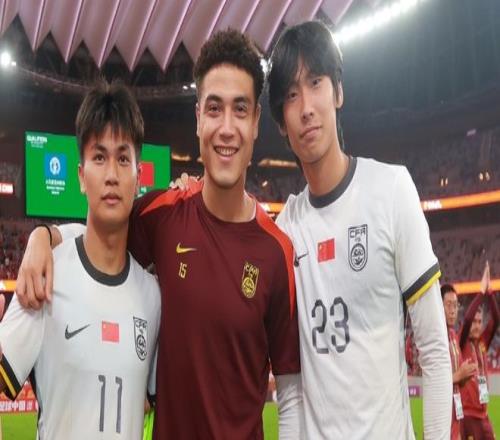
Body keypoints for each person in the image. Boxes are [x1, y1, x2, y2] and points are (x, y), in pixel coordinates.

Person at [16, 30, 301, 440]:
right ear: (198, 118)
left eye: (240, 109)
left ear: (256, 121)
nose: (226, 127)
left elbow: (290, 395)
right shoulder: (163, 215)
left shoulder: (277, 252)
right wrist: (43, 237)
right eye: (214, 108)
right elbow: (103, 231)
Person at [267, 20, 452, 439]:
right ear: (281, 122)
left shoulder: (391, 190)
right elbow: (290, 389)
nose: (306, 107)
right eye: (291, 95)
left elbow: (435, 353)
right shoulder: (284, 232)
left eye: (315, 83)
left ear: (338, 92)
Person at [0, 81, 161, 439]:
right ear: (80, 177)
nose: (111, 175)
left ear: (138, 177)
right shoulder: (46, 273)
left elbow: (147, 401)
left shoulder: (152, 296)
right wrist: (43, 236)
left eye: (123, 159)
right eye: (99, 157)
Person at [459, 283, 499, 439]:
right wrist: (481, 293)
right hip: (467, 414)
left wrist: (490, 292)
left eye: (479, 321)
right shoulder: (462, 342)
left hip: (483, 413)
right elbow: (467, 319)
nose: (476, 325)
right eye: (474, 322)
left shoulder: (482, 342)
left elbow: (496, 319)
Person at [441, 283, 476, 440]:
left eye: (455, 305)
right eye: (448, 305)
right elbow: (433, 380)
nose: (453, 310)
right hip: (441, 412)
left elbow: (459, 380)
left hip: (455, 411)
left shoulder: (454, 336)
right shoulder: (436, 338)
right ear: (439, 306)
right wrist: (459, 375)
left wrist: (465, 375)